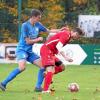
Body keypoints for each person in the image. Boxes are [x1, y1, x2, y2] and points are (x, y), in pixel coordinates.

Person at [0, 9, 65, 91]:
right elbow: (27, 42)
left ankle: (38, 87)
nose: (39, 19)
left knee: (43, 66)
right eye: (38, 18)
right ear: (33, 17)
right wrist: (37, 39)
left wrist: (60, 30)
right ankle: (3, 83)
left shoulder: (38, 24)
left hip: (30, 52)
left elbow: (48, 31)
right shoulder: (25, 25)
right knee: (22, 67)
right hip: (22, 50)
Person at [39, 27, 84, 93]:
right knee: (50, 69)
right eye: (78, 36)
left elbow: (52, 34)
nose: (77, 38)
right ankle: (45, 90)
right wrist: (66, 57)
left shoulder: (67, 34)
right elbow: (58, 46)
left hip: (52, 52)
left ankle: (47, 74)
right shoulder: (66, 35)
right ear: (76, 33)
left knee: (62, 67)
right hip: (47, 50)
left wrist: (49, 39)